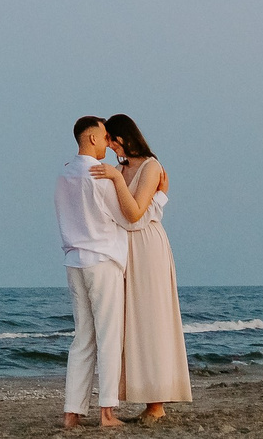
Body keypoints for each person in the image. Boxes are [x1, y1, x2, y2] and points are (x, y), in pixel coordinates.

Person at [95, 113, 191, 421]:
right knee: (130, 322)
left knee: (151, 318)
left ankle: (157, 404)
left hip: (146, 245)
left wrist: (113, 178)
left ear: (121, 138)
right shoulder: (121, 168)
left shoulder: (151, 167)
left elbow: (135, 213)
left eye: (110, 139)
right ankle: (142, 397)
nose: (108, 145)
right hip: (123, 246)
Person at [55, 115, 130, 428]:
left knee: (83, 337)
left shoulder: (64, 174)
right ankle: (107, 412)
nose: (107, 142)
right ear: (92, 138)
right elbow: (126, 215)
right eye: (104, 136)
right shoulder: (100, 175)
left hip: (74, 261)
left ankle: (72, 412)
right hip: (101, 259)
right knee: (108, 336)